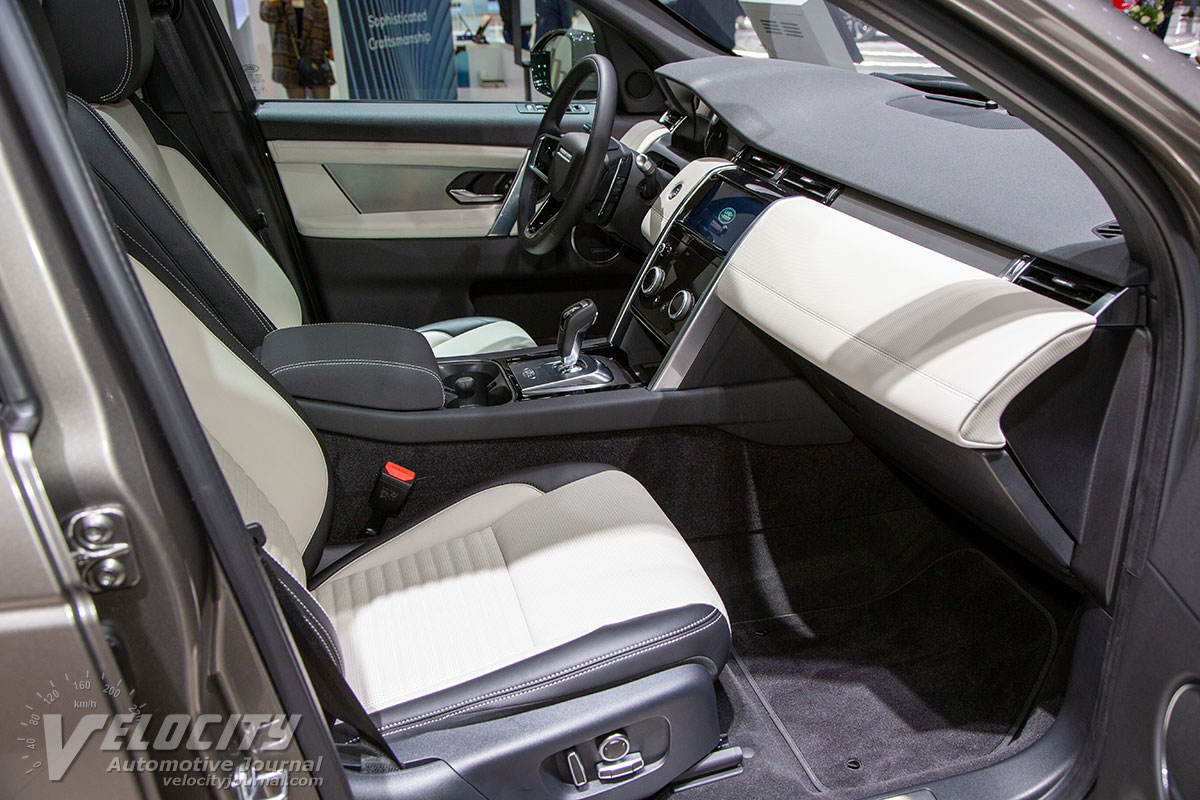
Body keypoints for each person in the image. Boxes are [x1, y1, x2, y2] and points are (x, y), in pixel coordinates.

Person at [260, 0, 335, 99]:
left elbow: (327, 28)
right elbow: (268, 16)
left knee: (323, 101)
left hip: (315, 58)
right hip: (289, 60)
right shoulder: (281, 3)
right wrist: (271, 3)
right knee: (297, 104)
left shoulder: (317, 3)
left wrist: (331, 48)